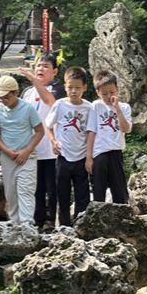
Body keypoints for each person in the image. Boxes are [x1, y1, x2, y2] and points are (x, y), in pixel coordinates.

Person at [19, 52, 65, 230]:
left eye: (46, 66)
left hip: (51, 149)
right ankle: (37, 221)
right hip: (31, 149)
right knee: (35, 188)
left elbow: (50, 101)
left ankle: (52, 221)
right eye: (38, 65)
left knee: (53, 188)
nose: (40, 69)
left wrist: (33, 79)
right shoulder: (27, 92)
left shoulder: (58, 89)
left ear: (55, 71)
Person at [0, 75, 44, 225]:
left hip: (27, 157)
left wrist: (26, 151)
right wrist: (7, 151)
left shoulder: (28, 108)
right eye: (0, 97)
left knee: (26, 190)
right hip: (8, 158)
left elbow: (40, 131)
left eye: (6, 96)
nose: (3, 100)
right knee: (11, 193)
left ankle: (27, 223)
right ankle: (14, 222)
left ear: (15, 93)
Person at [46, 66, 91, 226]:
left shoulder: (89, 107)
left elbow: (91, 132)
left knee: (82, 194)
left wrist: (89, 157)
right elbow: (48, 125)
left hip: (82, 156)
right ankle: (64, 226)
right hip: (63, 156)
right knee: (62, 193)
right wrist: (53, 141)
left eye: (77, 88)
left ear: (84, 87)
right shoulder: (59, 105)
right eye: (70, 87)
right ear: (65, 86)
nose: (73, 91)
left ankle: (80, 224)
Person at [86, 70, 132, 204]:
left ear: (117, 89)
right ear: (98, 93)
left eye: (112, 92)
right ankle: (97, 214)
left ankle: (122, 213)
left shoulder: (124, 107)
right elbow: (91, 131)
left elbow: (126, 129)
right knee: (98, 191)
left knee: (120, 191)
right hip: (99, 153)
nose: (108, 96)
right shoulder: (95, 106)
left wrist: (117, 109)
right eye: (104, 93)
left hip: (116, 151)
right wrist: (89, 157)